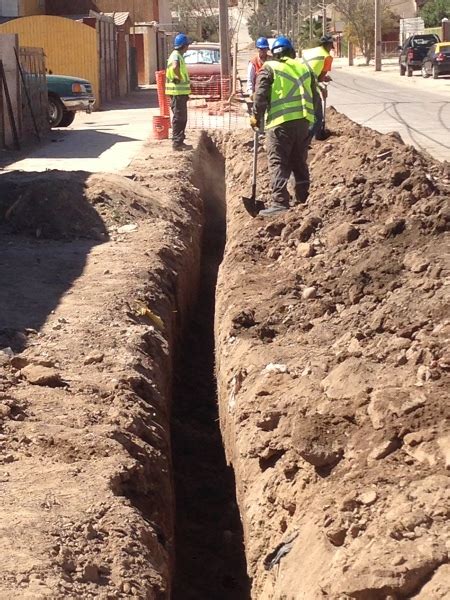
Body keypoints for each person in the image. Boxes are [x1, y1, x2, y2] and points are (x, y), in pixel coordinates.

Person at [251, 36, 320, 217]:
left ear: (274, 54)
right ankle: (303, 198)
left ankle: (280, 202)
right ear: (292, 52)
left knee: (278, 162)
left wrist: (256, 119)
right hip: (303, 123)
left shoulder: (269, 68)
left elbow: (260, 98)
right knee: (299, 161)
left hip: (280, 125)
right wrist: (315, 126)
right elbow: (316, 100)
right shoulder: (305, 68)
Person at [301, 34, 334, 139]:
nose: (330, 50)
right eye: (331, 47)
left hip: (296, 82)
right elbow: (318, 78)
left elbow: (313, 73)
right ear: (329, 45)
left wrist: (322, 80)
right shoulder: (327, 57)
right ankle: (310, 139)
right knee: (317, 116)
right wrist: (322, 88)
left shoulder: (311, 51)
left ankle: (303, 136)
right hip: (308, 86)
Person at [165, 33, 192, 151]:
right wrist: (178, 77)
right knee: (179, 117)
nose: (188, 47)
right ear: (183, 46)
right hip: (177, 93)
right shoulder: (176, 56)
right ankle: (177, 143)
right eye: (187, 45)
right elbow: (175, 67)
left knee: (181, 117)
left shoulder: (178, 55)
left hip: (180, 93)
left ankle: (179, 141)